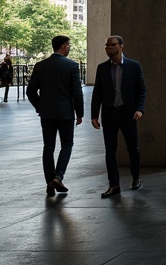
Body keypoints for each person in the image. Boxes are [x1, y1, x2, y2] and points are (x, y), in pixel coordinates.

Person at [26, 34, 83, 197]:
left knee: (48, 148)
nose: (69, 47)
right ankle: (58, 177)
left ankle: (49, 184)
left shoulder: (40, 65)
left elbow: (30, 91)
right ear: (64, 46)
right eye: (68, 45)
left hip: (47, 114)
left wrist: (40, 107)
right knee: (67, 144)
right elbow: (76, 92)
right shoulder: (71, 66)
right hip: (65, 113)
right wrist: (79, 113)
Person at [91, 34, 146, 198]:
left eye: (112, 45)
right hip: (109, 114)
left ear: (121, 46)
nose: (109, 48)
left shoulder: (134, 66)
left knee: (133, 149)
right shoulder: (102, 68)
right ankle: (114, 184)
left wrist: (139, 109)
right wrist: (94, 115)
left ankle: (136, 177)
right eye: (107, 46)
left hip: (129, 114)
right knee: (109, 151)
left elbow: (142, 90)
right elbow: (97, 93)